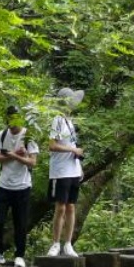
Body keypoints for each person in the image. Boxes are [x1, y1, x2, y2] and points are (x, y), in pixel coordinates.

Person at [0, 107, 39, 267]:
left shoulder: (29, 135)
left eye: (15, 119)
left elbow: (32, 162)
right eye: (9, 119)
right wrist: (15, 154)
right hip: (3, 184)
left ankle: (20, 255)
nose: (12, 123)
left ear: (20, 119)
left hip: (22, 186)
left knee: (20, 222)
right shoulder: (2, 135)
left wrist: (13, 155)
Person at [48, 88, 85, 257]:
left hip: (73, 170)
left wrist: (80, 167)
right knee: (60, 207)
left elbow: (74, 147)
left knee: (71, 207)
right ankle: (55, 243)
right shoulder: (57, 120)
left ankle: (68, 243)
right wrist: (72, 149)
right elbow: (52, 145)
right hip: (60, 171)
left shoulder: (71, 122)